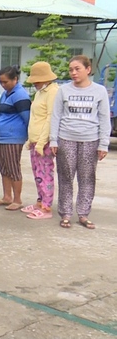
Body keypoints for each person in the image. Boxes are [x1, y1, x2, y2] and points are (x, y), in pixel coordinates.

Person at [50, 55, 110, 230]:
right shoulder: (63, 90)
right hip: (66, 138)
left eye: (77, 69)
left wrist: (103, 143)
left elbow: (104, 118)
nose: (73, 73)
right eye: (71, 70)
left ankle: (83, 214)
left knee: (87, 178)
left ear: (88, 69)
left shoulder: (99, 91)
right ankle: (66, 213)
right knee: (66, 177)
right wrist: (54, 139)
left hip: (90, 140)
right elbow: (56, 116)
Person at [22, 61, 60, 220]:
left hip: (44, 142)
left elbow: (51, 117)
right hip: (35, 139)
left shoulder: (53, 92)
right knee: (37, 173)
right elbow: (36, 117)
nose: (35, 83)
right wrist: (31, 139)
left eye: (37, 80)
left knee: (46, 174)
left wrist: (43, 141)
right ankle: (40, 201)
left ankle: (46, 207)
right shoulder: (39, 92)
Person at [0, 65, 31, 211]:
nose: (3, 84)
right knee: (4, 168)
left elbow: (27, 118)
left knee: (13, 168)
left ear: (15, 79)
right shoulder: (5, 93)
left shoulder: (20, 95)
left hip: (13, 138)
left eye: (6, 82)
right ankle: (6, 196)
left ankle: (17, 199)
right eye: (1, 82)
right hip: (1, 138)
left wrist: (28, 137)